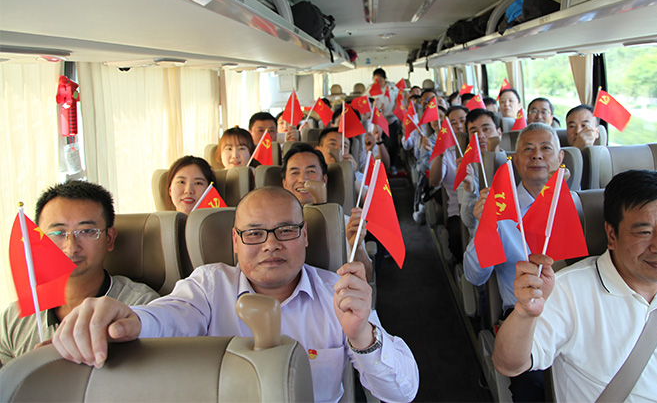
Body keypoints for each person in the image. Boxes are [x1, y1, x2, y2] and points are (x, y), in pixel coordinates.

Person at [51, 188, 419, 403]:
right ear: (235, 241)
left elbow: (402, 392)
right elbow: (170, 315)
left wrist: (362, 337)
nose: (271, 245)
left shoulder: (336, 293)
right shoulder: (210, 286)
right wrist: (132, 318)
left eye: (286, 230)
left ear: (305, 236)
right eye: (254, 233)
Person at [493, 170, 657, 402]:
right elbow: (509, 364)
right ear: (612, 235)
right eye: (644, 233)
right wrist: (525, 314)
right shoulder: (567, 290)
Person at [1, 181, 158, 366]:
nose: (71, 247)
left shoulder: (141, 307)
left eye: (87, 231)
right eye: (58, 232)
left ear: (109, 238)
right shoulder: (14, 317)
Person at [464, 123, 563, 400]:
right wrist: (486, 226)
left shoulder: (578, 207)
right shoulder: (500, 209)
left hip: (574, 310)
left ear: (560, 158)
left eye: (546, 148)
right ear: (516, 160)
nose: (537, 156)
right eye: (527, 149)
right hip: (522, 314)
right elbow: (475, 277)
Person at [281, 144, 373, 281]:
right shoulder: (274, 224)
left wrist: (357, 247)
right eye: (295, 172)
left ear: (324, 179)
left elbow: (367, 277)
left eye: (311, 171)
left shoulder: (345, 223)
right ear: (285, 183)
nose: (303, 180)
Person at [429, 105, 468, 262]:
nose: (459, 125)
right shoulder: (447, 152)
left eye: (463, 121)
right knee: (457, 239)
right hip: (457, 210)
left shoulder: (481, 150)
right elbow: (434, 181)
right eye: (453, 122)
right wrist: (440, 154)